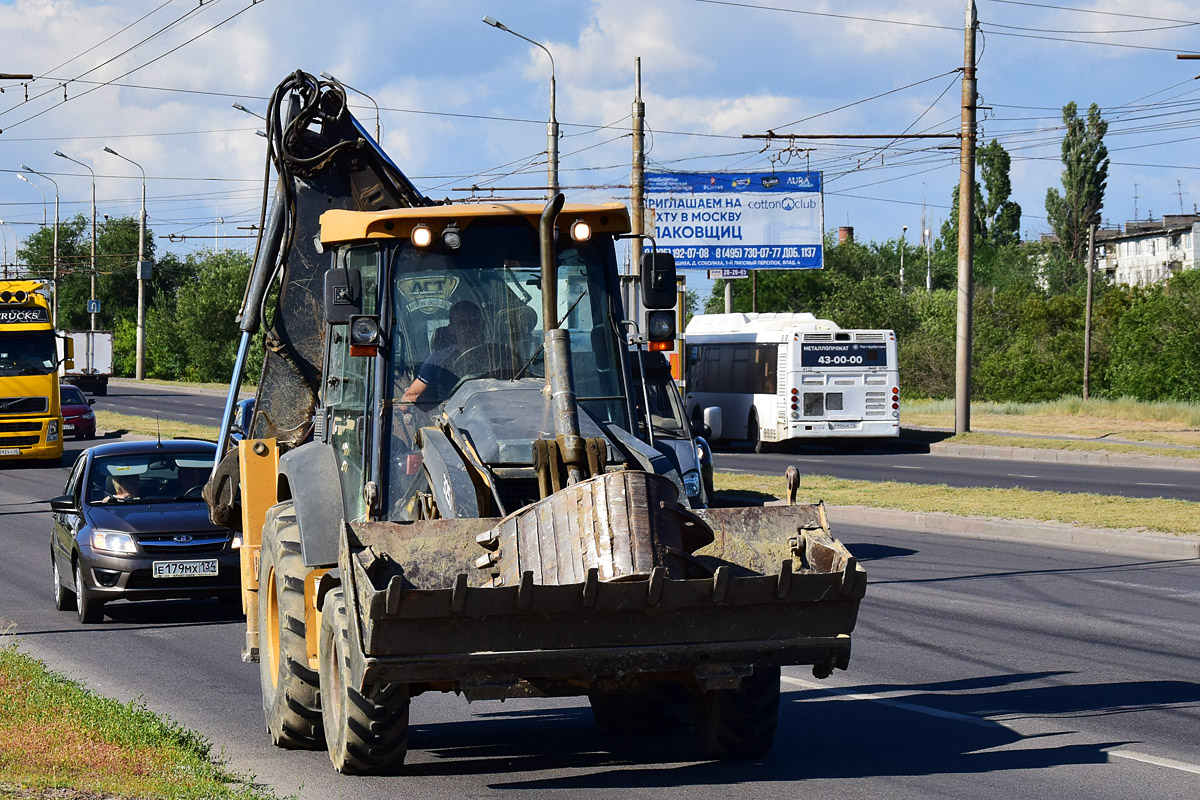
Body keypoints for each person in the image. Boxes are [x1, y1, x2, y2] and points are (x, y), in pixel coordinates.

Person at [401, 300, 485, 403]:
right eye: (462, 323)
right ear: (452, 329)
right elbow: (407, 399)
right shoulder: (437, 361)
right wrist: (433, 401)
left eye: (473, 322)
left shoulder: (501, 356)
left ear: (482, 324)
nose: (469, 328)